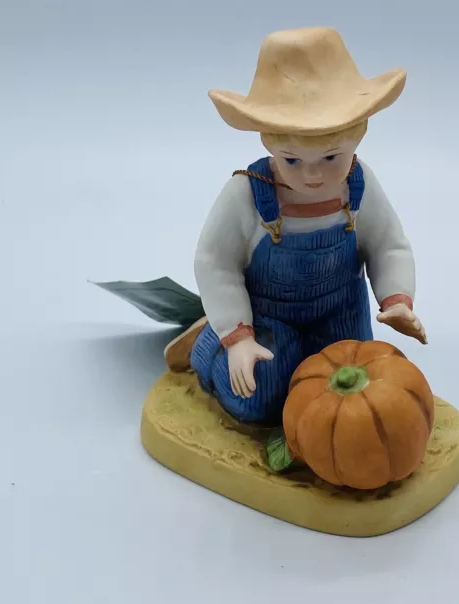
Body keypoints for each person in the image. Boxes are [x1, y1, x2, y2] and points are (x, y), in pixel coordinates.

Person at [164, 27, 426, 426]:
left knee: (348, 388)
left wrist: (397, 300)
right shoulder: (247, 194)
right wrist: (239, 338)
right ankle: (212, 345)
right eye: (292, 160)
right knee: (259, 397)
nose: (313, 175)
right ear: (268, 144)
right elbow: (215, 262)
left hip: (340, 310)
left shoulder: (360, 185)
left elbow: (388, 245)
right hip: (267, 317)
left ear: (359, 137)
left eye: (330, 157)